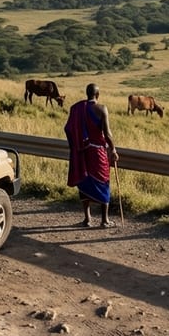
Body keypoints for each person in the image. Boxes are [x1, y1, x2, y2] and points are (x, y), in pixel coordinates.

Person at [64, 83, 118, 228]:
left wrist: (75, 145)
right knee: (103, 181)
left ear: (87, 94)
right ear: (97, 95)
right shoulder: (102, 109)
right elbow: (107, 134)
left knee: (84, 181)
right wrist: (113, 149)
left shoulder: (76, 109)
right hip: (98, 152)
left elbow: (68, 128)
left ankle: (87, 219)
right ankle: (104, 220)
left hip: (81, 152)